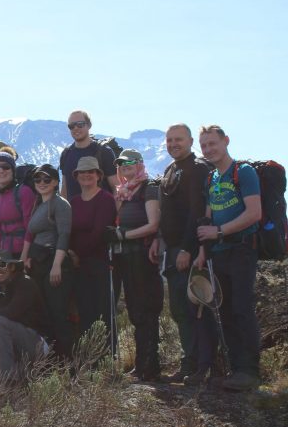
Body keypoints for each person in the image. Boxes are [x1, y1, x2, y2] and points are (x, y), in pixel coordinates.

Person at [194, 125, 262, 392]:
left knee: (242, 308)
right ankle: (236, 370)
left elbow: (254, 212)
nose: (209, 149)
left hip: (242, 249)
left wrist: (220, 231)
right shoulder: (211, 178)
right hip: (218, 253)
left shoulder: (243, 172)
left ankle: (250, 371)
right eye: (204, 146)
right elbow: (208, 217)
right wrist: (203, 248)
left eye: (213, 143)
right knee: (224, 311)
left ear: (226, 141)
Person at [154, 123, 212, 383]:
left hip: (186, 250)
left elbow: (196, 212)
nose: (173, 144)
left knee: (194, 309)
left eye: (178, 139)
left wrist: (188, 249)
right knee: (179, 310)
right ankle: (188, 363)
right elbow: (167, 212)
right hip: (171, 248)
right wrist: (159, 240)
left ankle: (202, 366)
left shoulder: (197, 168)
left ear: (190, 141)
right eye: (169, 140)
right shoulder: (171, 169)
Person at [108, 149, 163, 381]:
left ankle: (148, 366)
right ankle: (142, 366)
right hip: (124, 258)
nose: (124, 166)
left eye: (130, 162)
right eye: (120, 163)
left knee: (144, 310)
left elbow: (153, 224)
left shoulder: (148, 188)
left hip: (141, 256)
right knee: (134, 309)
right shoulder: (124, 192)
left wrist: (123, 236)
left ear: (140, 164)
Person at [0, 250, 48, 382]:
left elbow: (12, 312)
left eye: (2, 264)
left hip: (37, 344)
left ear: (12, 267)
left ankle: (10, 381)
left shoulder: (25, 283)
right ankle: (20, 374)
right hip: (13, 345)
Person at [24, 163, 74, 358]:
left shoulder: (60, 204)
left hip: (54, 262)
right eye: (38, 179)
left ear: (55, 182)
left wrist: (57, 265)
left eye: (47, 179)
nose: (42, 183)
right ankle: (52, 360)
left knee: (58, 313)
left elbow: (64, 235)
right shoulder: (40, 204)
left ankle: (66, 361)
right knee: (45, 313)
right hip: (40, 263)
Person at [68, 156, 118, 349]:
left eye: (91, 171)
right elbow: (68, 233)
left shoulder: (105, 199)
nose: (86, 175)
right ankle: (89, 359)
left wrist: (76, 254)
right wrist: (71, 253)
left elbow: (99, 233)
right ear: (77, 176)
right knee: (84, 312)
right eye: (82, 172)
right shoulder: (73, 202)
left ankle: (108, 358)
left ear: (98, 175)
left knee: (102, 312)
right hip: (78, 266)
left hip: (100, 264)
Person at [59, 110, 119, 199]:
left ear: (89, 125)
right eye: (71, 126)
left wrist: (118, 212)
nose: (76, 128)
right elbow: (64, 187)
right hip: (73, 211)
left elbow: (116, 187)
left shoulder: (103, 151)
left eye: (80, 124)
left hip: (101, 210)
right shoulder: (66, 153)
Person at [0, 150, 35, 259]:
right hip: (5, 255)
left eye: (6, 167)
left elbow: (30, 228)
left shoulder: (24, 192)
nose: (1, 170)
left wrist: (24, 257)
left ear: (13, 170)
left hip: (24, 252)